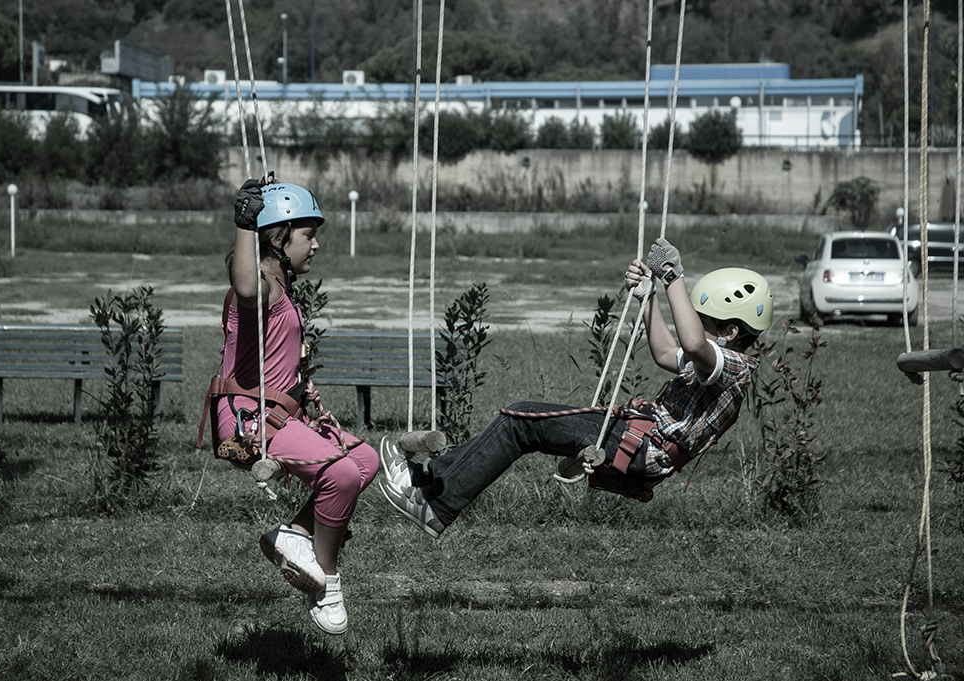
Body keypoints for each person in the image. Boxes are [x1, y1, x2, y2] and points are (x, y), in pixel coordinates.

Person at [377, 238, 772, 537]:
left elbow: (692, 344)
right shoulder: (714, 362)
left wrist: (673, 277)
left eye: (702, 320)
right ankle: (429, 484)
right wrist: (649, 298)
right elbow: (668, 352)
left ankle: (437, 502)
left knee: (520, 420)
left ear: (729, 332)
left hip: (640, 447)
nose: (693, 325)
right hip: (635, 439)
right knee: (521, 418)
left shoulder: (734, 368)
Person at [198, 178, 379, 635]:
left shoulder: (280, 285)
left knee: (364, 459)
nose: (316, 245)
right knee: (341, 475)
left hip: (279, 415)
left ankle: (295, 534)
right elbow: (244, 284)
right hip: (250, 421)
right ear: (278, 240)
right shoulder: (262, 287)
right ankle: (327, 583)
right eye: (308, 235)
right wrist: (245, 223)